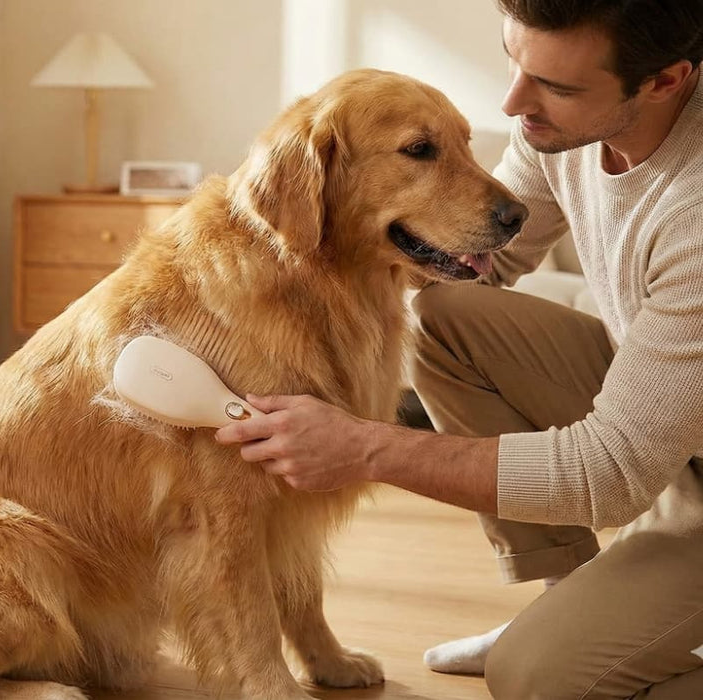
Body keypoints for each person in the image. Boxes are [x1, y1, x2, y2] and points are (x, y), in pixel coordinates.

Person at [214, 1, 703, 698]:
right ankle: (570, 597)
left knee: (539, 678)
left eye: (558, 87)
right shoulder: (554, 128)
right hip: (678, 425)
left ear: (664, 80)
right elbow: (478, 266)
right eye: (515, 61)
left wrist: (364, 448)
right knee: (450, 318)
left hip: (669, 470)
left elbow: (611, 473)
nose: (514, 104)